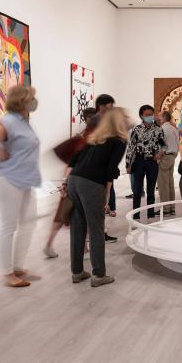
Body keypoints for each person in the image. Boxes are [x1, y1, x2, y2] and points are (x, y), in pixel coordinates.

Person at [0, 85, 41, 287]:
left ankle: (17, 266)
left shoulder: (24, 122)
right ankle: (7, 272)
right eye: (32, 97)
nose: (35, 101)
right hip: (9, 179)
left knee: (29, 222)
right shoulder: (8, 120)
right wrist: (0, 155)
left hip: (25, 179)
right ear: (22, 100)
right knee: (8, 225)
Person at [66, 107, 129, 287]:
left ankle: (77, 272)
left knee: (77, 227)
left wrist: (66, 183)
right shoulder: (119, 140)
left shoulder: (93, 137)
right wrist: (107, 194)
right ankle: (99, 274)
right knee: (96, 228)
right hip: (91, 184)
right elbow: (110, 169)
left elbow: (73, 160)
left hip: (74, 180)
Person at [44, 107, 98, 258]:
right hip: (76, 181)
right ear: (88, 119)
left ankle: (84, 247)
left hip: (78, 180)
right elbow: (70, 162)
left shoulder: (84, 138)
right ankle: (49, 244)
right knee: (65, 214)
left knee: (72, 213)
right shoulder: (83, 139)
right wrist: (65, 182)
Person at [126, 105, 165, 220]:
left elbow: (163, 144)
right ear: (141, 116)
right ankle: (136, 214)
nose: (150, 117)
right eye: (147, 115)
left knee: (151, 189)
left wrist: (160, 153)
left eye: (151, 114)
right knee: (137, 189)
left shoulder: (158, 129)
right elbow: (131, 147)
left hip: (152, 162)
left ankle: (151, 213)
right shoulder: (136, 129)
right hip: (139, 161)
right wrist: (128, 164)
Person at [93, 94, 118, 224]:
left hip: (105, 165)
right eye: (110, 105)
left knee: (107, 192)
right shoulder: (97, 120)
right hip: (97, 166)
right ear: (102, 106)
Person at [157, 111, 179, 215]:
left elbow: (162, 146)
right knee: (170, 184)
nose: (158, 117)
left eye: (159, 116)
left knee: (163, 184)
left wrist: (158, 156)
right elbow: (178, 144)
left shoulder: (162, 129)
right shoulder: (174, 129)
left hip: (164, 157)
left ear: (163, 118)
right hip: (172, 157)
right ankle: (172, 208)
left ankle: (165, 209)